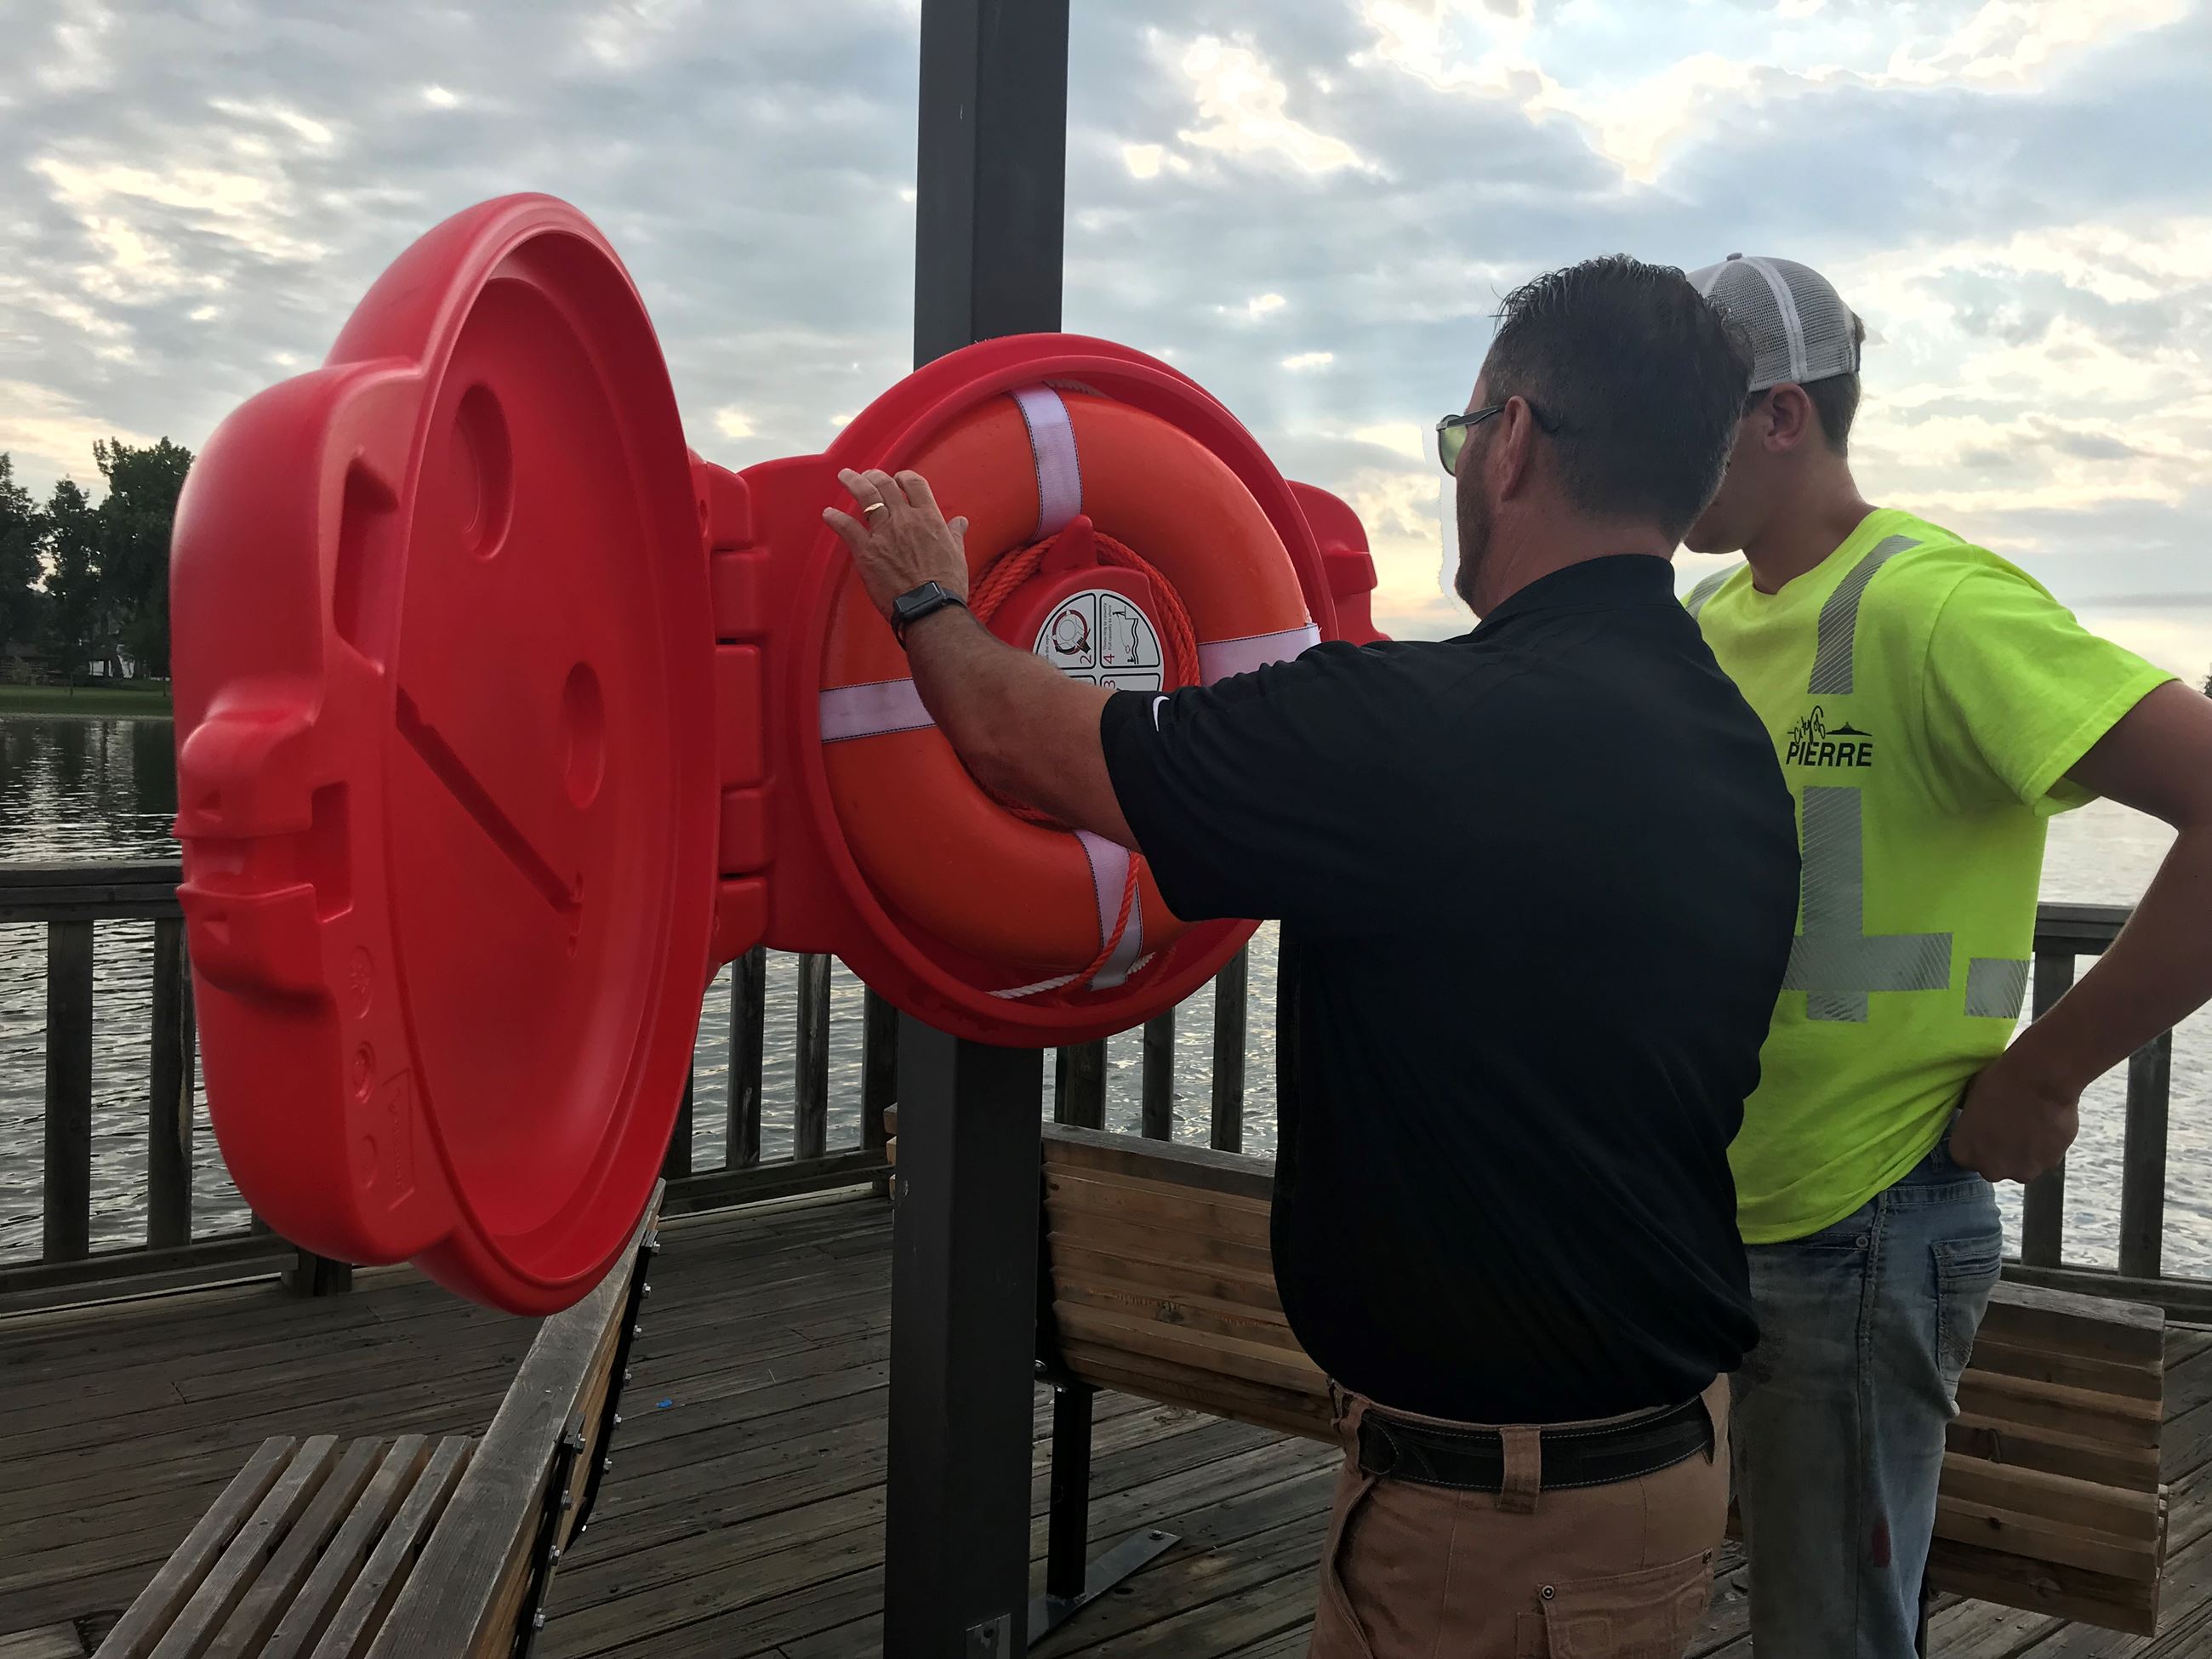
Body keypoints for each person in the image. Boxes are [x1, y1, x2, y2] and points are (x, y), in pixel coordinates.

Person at [823, 255, 1799, 1658]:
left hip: (1497, 1530)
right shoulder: (1726, 745)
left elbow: (1027, 742)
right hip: (1641, 1474)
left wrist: (927, 600)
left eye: (1463, 436)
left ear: (1513, 442)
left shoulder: (1416, 733)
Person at [1681, 252, 2212, 1656]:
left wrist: (2045, 1071)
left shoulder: (1934, 604)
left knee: (1832, 1633)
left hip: (1867, 1221)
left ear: (1783, 414)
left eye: (1687, 409)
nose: (1656, 446)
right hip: (1701, 1208)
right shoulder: (1706, 621)